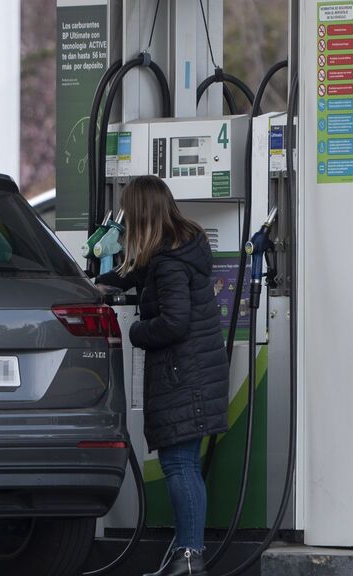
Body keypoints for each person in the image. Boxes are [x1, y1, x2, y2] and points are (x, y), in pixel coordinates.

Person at [97, 175, 229, 576]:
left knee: (180, 466)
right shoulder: (177, 250)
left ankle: (190, 556)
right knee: (183, 463)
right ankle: (186, 555)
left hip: (182, 376)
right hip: (192, 374)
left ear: (142, 214)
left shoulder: (168, 262)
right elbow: (141, 274)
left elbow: (174, 322)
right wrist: (104, 278)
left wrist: (135, 331)